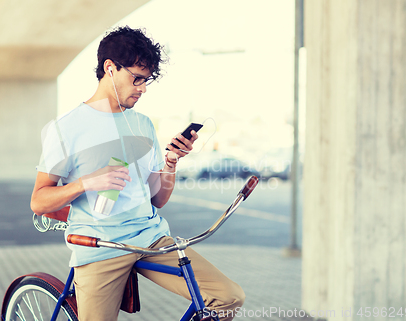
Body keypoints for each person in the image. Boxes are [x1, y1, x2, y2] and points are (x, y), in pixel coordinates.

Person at [30, 26, 245, 321]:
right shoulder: (65, 129)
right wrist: (87, 182)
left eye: (146, 81)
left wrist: (170, 163)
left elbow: (158, 199)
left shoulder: (143, 124)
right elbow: (39, 201)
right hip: (101, 245)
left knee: (227, 297)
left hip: (151, 240)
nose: (142, 88)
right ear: (110, 68)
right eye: (137, 78)